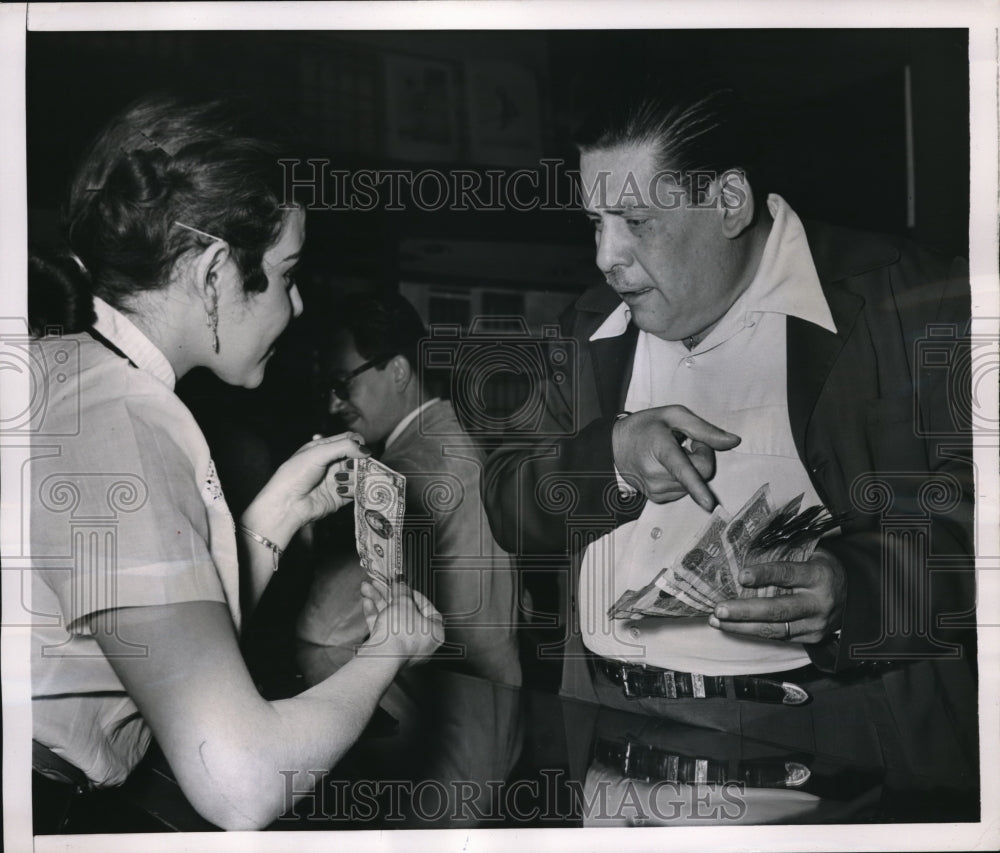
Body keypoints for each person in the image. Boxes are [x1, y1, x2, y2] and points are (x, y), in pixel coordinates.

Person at [482, 82, 977, 792]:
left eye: (635, 220)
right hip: (608, 736)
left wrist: (857, 587)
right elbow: (506, 499)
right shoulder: (585, 325)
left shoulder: (910, 300)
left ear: (729, 202)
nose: (605, 256)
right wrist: (611, 458)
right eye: (595, 222)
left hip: (829, 743)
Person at [28, 92, 443, 832]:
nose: (297, 308)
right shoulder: (126, 418)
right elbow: (243, 778)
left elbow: (138, 636)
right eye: (286, 274)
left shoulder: (65, 369)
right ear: (216, 270)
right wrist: (390, 649)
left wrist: (271, 519)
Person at [298, 292, 521, 687]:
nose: (334, 405)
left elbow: (323, 625)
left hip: (446, 720)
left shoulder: (405, 470)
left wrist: (305, 523)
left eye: (342, 384)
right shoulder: (456, 438)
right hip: (493, 703)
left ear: (399, 371)